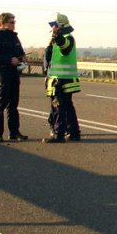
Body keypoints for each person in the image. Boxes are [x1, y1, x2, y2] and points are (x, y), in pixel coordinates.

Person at [0, 12, 28, 143]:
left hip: (14, 74)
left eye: (14, 22)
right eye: (11, 22)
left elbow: (19, 51)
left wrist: (22, 57)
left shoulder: (15, 37)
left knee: (13, 106)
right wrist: (9, 60)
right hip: (3, 74)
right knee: (1, 105)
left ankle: (14, 132)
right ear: (3, 23)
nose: (14, 24)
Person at [43, 13, 82, 143]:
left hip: (62, 79)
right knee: (67, 106)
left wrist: (56, 36)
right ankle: (74, 133)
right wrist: (51, 41)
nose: (53, 28)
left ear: (60, 26)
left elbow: (64, 49)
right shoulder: (57, 38)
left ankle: (59, 134)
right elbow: (48, 57)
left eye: (55, 26)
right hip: (58, 78)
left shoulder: (67, 38)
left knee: (59, 106)